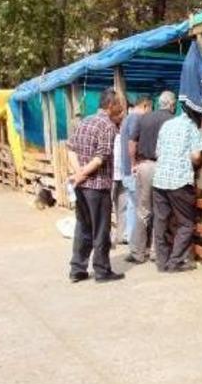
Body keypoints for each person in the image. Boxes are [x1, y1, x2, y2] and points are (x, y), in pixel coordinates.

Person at [67, 87, 126, 283]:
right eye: (118, 104)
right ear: (110, 105)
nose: (121, 108)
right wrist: (83, 174)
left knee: (83, 227)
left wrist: (78, 174)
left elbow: (70, 150)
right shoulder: (107, 126)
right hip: (97, 186)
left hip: (81, 187)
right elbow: (100, 158)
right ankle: (102, 270)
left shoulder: (85, 121)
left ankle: (77, 269)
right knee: (101, 229)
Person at [151, 98, 202, 272]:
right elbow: (197, 156)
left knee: (161, 222)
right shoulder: (192, 128)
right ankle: (175, 261)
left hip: (160, 179)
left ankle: (162, 261)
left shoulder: (167, 125)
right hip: (180, 181)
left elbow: (158, 152)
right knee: (187, 224)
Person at [126, 91, 176, 264]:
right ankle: (157, 252)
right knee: (161, 211)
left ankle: (137, 252)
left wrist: (134, 163)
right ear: (172, 105)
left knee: (143, 210)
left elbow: (132, 143)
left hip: (145, 166)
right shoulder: (173, 120)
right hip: (163, 167)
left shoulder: (144, 118)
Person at [113, 97, 152, 245]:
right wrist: (134, 164)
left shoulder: (126, 119)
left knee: (131, 204)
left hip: (125, 169)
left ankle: (130, 237)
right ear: (145, 105)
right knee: (139, 206)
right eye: (150, 109)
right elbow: (132, 143)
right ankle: (138, 241)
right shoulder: (136, 119)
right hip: (132, 170)